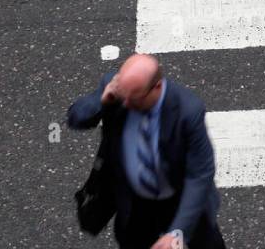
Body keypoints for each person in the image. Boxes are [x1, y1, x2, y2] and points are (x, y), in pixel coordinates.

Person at [66, 53, 226, 249]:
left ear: (156, 87)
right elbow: (75, 118)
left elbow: (200, 173)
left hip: (179, 199)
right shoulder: (119, 90)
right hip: (135, 205)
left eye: (134, 99)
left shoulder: (188, 110)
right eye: (123, 97)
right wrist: (102, 101)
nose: (126, 104)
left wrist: (177, 233)